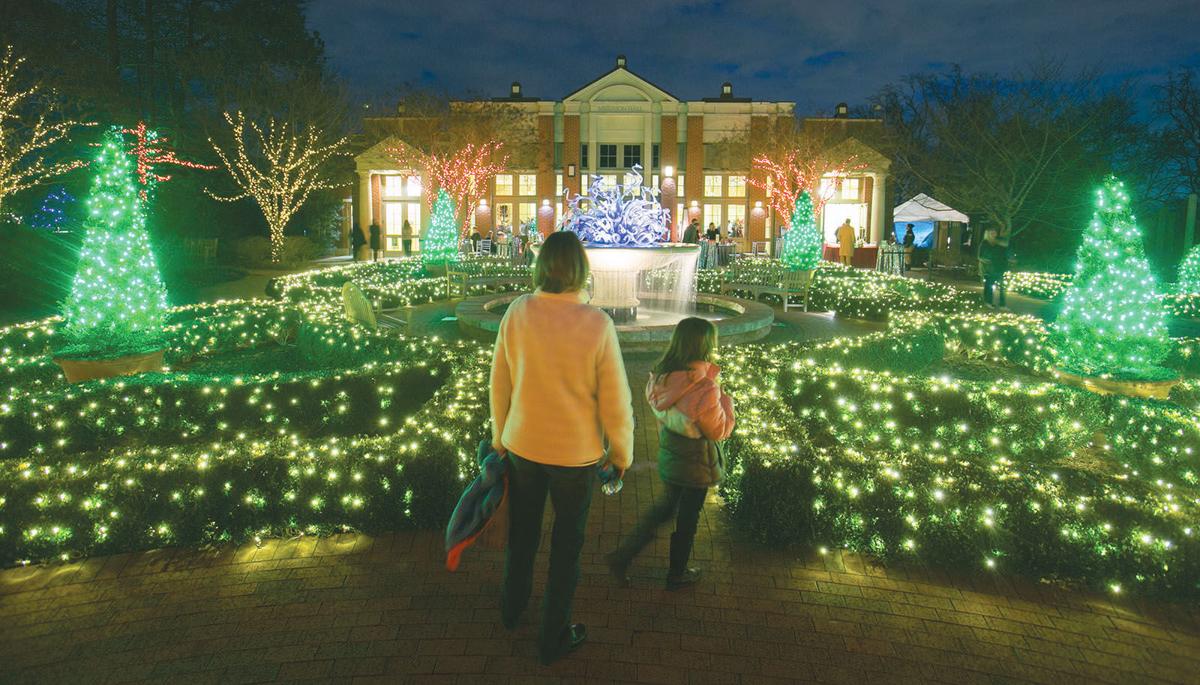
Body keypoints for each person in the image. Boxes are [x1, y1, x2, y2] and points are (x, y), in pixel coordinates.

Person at [490, 230, 634, 666]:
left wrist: (500, 437)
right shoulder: (596, 324)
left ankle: (512, 609)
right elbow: (615, 398)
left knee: (523, 533)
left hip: (523, 446)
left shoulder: (518, 312)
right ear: (580, 270)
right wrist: (621, 454)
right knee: (566, 546)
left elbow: (500, 382)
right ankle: (553, 635)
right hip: (576, 456)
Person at [606, 317, 734, 591]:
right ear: (704, 345)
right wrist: (726, 401)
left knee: (666, 508)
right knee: (688, 517)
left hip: (671, 452)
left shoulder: (662, 376)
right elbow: (718, 431)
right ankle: (677, 573)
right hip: (696, 462)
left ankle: (623, 555)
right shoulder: (703, 388)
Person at [979, 229, 1009, 308]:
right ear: (988, 234)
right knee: (989, 285)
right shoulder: (985, 243)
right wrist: (987, 261)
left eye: (995, 233)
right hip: (990, 268)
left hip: (1000, 267)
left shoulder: (998, 242)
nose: (993, 234)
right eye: (991, 233)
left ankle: (1002, 304)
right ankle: (988, 301)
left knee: (1002, 287)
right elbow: (980, 256)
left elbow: (1004, 252)